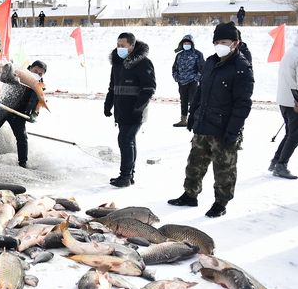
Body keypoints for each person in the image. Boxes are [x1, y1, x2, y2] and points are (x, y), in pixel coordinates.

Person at [168, 21, 254, 217]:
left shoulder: (241, 67)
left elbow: (243, 104)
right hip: (203, 124)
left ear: (235, 43)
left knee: (224, 170)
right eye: (217, 41)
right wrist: (192, 114)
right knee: (194, 163)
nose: (219, 45)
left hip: (224, 129)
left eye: (224, 41)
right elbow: (200, 91)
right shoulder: (210, 63)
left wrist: (233, 130)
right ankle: (190, 195)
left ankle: (220, 203)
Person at [103, 32, 156, 188]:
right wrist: (108, 103)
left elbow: (149, 88)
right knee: (128, 142)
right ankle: (129, 175)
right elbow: (113, 87)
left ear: (132, 46)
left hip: (135, 110)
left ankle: (125, 176)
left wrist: (139, 107)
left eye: (123, 46)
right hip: (121, 110)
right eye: (118, 45)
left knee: (125, 140)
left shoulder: (144, 63)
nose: (120, 48)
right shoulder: (117, 64)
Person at [0, 60, 46, 168]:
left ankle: (23, 163)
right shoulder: (18, 72)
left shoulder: (39, 86)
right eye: (36, 71)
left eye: (40, 73)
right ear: (30, 68)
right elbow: (2, 80)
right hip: (2, 107)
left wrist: (34, 115)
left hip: (19, 113)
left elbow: (38, 103)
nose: (37, 74)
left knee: (22, 138)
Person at [269, 32, 298, 179]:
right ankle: (281, 165)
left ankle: (276, 161)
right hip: (294, 102)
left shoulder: (291, 51)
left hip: (285, 100)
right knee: (295, 135)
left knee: (290, 134)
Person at [171, 34, 205, 127]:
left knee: (193, 101)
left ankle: (195, 119)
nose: (186, 44)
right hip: (181, 82)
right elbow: (174, 68)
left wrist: (196, 78)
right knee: (183, 101)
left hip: (192, 82)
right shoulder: (179, 55)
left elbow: (202, 68)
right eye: (185, 43)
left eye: (188, 43)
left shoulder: (197, 54)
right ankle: (183, 120)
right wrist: (176, 77)